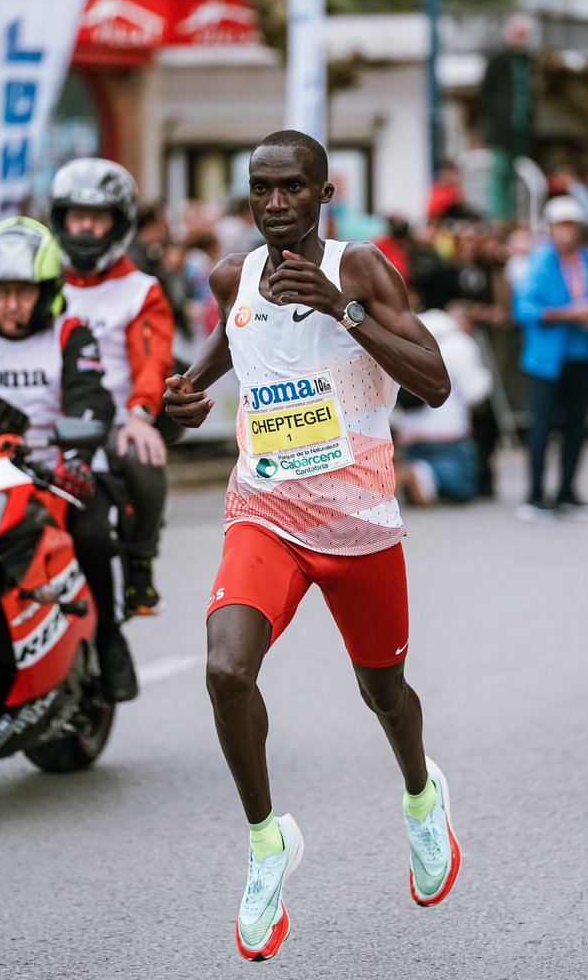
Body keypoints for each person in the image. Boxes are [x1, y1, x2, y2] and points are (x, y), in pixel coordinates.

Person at [164, 129, 462, 962]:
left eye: (292, 188)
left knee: (385, 693)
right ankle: (267, 844)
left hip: (361, 524)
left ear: (323, 194)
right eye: (261, 189)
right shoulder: (233, 277)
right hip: (267, 512)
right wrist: (189, 392)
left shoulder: (360, 268)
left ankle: (420, 794)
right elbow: (232, 343)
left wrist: (344, 310)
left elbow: (434, 383)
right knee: (226, 669)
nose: (274, 204)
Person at [0, 217, 138, 701]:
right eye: (1, 291)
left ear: (45, 290)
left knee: (92, 534)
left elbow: (92, 398)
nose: (11, 304)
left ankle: (109, 639)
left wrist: (74, 454)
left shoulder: (71, 333)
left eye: (23, 292)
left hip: (51, 473)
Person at [49, 158, 175, 615]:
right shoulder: (37, 284)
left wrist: (141, 414)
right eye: (75, 216)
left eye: (97, 218)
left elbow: (152, 357)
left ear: (117, 224)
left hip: (119, 420)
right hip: (47, 419)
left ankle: (140, 560)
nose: (84, 228)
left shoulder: (140, 289)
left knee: (145, 454)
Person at [514, 196, 588, 522]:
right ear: (552, 228)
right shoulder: (539, 262)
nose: (567, 233)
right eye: (561, 226)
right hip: (547, 358)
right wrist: (569, 314)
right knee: (542, 427)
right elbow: (524, 309)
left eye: (572, 225)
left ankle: (567, 491)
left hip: (583, 353)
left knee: (576, 427)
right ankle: (535, 496)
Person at [394, 304, 492, 505]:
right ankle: (417, 474)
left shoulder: (403, 341)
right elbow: (473, 392)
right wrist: (486, 378)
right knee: (463, 488)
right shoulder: (459, 343)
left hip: (408, 432)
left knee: (432, 473)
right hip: (449, 433)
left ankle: (418, 474)